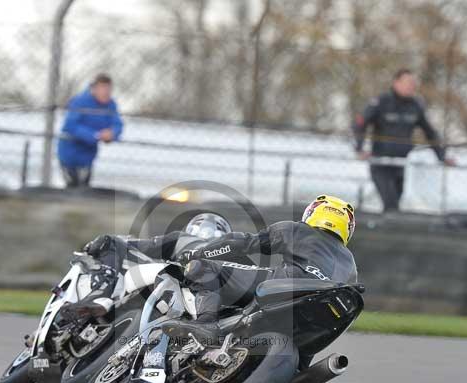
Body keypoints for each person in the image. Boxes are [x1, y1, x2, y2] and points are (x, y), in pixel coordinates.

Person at [162, 195, 358, 360]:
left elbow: (244, 243)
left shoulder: (297, 230)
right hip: (320, 313)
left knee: (201, 268)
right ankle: (298, 376)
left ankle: (206, 323)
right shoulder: (350, 264)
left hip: (285, 285)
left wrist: (200, 253)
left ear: (312, 213)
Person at [57, 213, 232, 324]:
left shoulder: (184, 240)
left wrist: (100, 245)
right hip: (199, 304)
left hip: (173, 285)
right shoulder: (226, 260)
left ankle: (101, 294)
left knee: (110, 242)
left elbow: (138, 246)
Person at [353, 68, 455, 212]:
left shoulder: (415, 105)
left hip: (401, 163)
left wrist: (442, 156)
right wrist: (359, 148)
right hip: (381, 163)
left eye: (413, 83)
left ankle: (386, 229)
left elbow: (430, 133)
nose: (411, 86)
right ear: (396, 83)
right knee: (391, 205)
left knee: (394, 204)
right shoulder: (381, 102)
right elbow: (360, 124)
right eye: (407, 82)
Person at [57, 73, 123, 188]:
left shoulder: (110, 105)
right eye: (103, 89)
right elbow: (70, 126)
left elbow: (117, 123)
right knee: (71, 186)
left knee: (84, 187)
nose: (106, 93)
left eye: (109, 89)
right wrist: (95, 135)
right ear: (94, 88)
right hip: (69, 153)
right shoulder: (80, 101)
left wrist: (112, 133)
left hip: (88, 156)